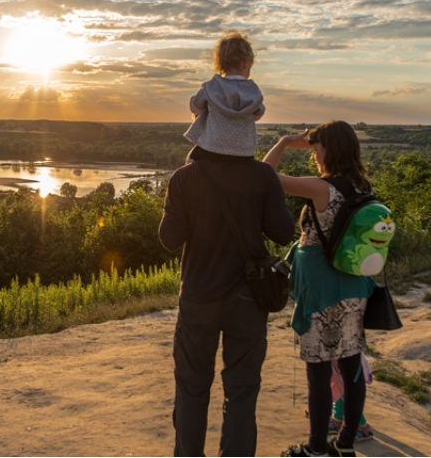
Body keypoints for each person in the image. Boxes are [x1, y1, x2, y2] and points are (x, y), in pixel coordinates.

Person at [159, 132, 295, 456]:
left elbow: (169, 238)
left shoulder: (185, 177)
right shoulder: (262, 175)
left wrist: (184, 193)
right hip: (248, 298)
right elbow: (283, 231)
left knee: (191, 388)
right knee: (242, 391)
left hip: (199, 296)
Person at [262, 121, 377, 458]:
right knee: (350, 365)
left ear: (331, 149)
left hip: (323, 292)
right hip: (355, 287)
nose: (313, 154)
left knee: (318, 366)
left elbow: (265, 178)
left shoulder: (322, 188)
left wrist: (283, 142)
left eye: (316, 147)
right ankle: (345, 445)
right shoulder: (360, 185)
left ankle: (315, 449)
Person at [184, 31, 265, 163]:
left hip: (212, 148)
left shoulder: (212, 87)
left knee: (189, 162)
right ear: (248, 63)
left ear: (220, 63)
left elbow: (196, 109)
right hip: (245, 152)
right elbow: (257, 115)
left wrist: (194, 102)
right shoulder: (253, 90)